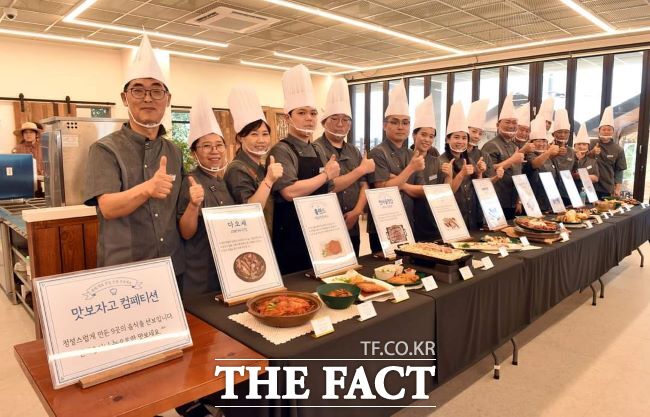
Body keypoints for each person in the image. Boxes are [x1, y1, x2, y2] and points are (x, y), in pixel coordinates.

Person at [83, 34, 185, 283]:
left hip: (172, 266)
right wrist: (148, 188)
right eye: (138, 90)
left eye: (156, 91)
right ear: (124, 98)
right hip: (125, 270)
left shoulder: (174, 151)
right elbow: (107, 207)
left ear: (167, 100)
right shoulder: (104, 149)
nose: (148, 98)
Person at [269, 64, 340, 274]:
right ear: (287, 118)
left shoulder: (318, 148)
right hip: (292, 231)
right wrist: (326, 174)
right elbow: (289, 192)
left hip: (318, 227)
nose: (309, 118)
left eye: (313, 113)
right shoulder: (281, 149)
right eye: (302, 113)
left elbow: (330, 188)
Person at [178, 95, 235, 298]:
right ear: (194, 152)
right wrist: (194, 204)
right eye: (206, 146)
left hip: (226, 269)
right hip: (200, 272)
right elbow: (186, 232)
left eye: (219, 145)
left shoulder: (223, 182)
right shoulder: (189, 182)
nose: (214, 151)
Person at [312, 78, 374, 255]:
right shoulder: (316, 149)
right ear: (324, 122)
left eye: (346, 119)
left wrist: (357, 211)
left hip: (353, 222)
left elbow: (364, 185)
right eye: (335, 119)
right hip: (326, 222)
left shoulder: (354, 150)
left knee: (353, 268)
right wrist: (360, 169)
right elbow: (330, 185)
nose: (340, 124)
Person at [367, 80, 424, 253]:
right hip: (383, 223)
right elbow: (381, 190)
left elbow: (422, 190)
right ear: (385, 125)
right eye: (395, 122)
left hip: (408, 220)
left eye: (405, 122)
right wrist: (410, 169)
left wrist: (398, 182)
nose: (401, 127)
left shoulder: (410, 153)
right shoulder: (377, 153)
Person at [224, 86, 283, 233]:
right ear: (240, 138)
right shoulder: (237, 169)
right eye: (254, 134)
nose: (261, 140)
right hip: (250, 238)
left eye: (265, 134)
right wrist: (269, 181)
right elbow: (249, 211)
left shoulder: (260, 166)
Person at [438, 101, 487, 230]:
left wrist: (480, 173)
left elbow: (478, 188)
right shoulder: (441, 161)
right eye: (456, 137)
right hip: (452, 218)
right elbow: (445, 194)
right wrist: (461, 174)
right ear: (447, 140)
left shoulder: (469, 159)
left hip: (472, 214)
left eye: (464, 138)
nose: (461, 141)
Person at [411, 96, 452, 241]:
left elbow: (444, 194)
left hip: (431, 222)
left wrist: (448, 177)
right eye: (423, 134)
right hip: (409, 220)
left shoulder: (437, 162)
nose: (427, 139)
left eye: (431, 136)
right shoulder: (404, 159)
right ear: (414, 135)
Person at [482, 94, 526, 219]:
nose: (511, 125)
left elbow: (518, 174)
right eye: (507, 122)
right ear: (498, 124)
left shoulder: (513, 146)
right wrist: (511, 160)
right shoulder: (491, 145)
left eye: (514, 123)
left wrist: (519, 199)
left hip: (513, 200)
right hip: (497, 199)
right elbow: (488, 170)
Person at [590, 106, 627, 198]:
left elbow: (619, 171)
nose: (606, 132)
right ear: (599, 131)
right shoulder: (591, 143)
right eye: (604, 129)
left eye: (609, 129)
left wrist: (617, 189)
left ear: (613, 131)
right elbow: (581, 158)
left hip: (606, 187)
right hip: (588, 186)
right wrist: (592, 152)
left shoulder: (618, 149)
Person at [525, 118, 560, 212]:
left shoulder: (549, 158)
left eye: (544, 141)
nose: (542, 144)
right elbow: (535, 164)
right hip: (534, 200)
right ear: (531, 143)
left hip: (549, 201)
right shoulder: (529, 154)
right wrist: (549, 152)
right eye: (538, 141)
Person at [467, 98, 504, 184]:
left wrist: (497, 176)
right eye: (474, 131)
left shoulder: (484, 156)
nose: (477, 136)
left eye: (480, 133)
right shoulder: (455, 154)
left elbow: (489, 182)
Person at [550, 108, 576, 205]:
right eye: (560, 132)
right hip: (550, 191)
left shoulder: (572, 152)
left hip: (567, 192)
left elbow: (574, 170)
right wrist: (552, 154)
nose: (562, 135)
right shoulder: (547, 148)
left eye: (566, 132)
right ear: (554, 134)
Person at [572, 122, 599, 192]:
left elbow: (596, 178)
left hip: (588, 193)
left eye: (584, 144)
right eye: (579, 144)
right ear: (574, 146)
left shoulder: (592, 161)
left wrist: (580, 175)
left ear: (588, 146)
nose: (581, 146)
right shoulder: (569, 159)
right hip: (570, 193)